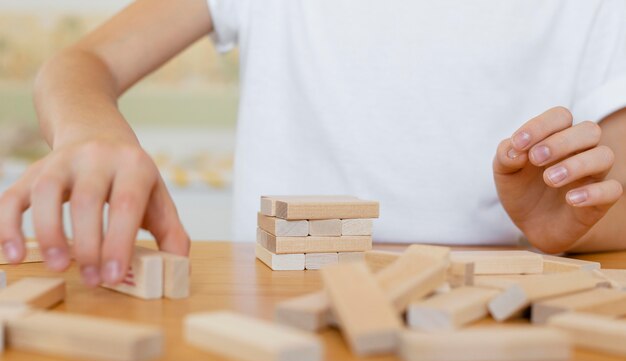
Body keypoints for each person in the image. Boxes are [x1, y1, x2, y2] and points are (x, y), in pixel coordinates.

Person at [1, 0, 625, 287]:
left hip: (490, 323)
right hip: (273, 313)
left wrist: (566, 225)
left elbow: (612, 198)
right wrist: (89, 127)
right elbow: (81, 63)